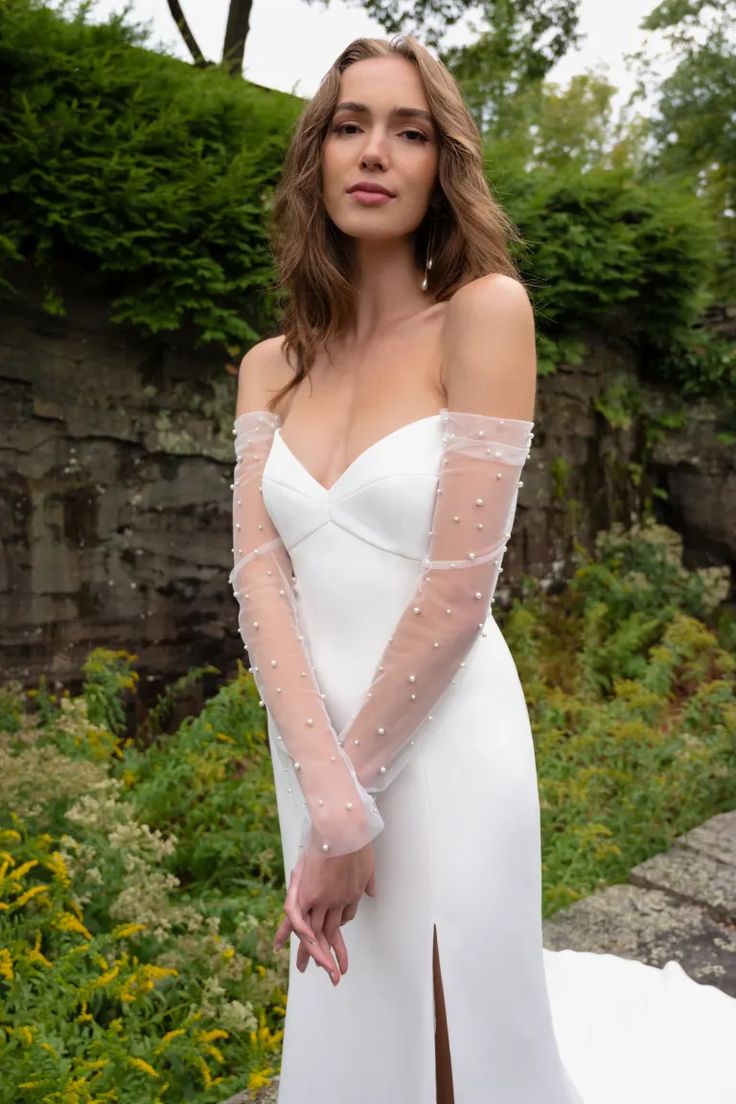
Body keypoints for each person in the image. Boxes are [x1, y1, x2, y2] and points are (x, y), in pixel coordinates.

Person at [229, 33, 736, 1104]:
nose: (375, 152)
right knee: (356, 1017)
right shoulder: (268, 368)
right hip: (314, 751)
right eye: (350, 125)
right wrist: (329, 802)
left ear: (439, 162)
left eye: (408, 131)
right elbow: (258, 581)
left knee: (457, 1042)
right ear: (315, 156)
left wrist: (351, 803)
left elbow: (460, 590)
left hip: (446, 745)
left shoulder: (484, 312)